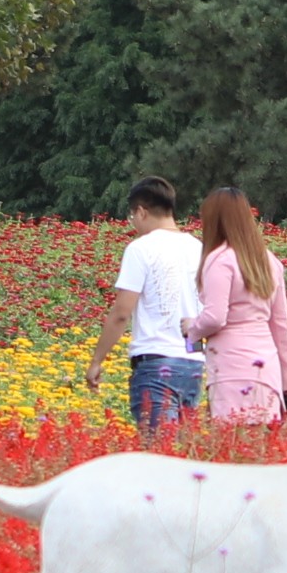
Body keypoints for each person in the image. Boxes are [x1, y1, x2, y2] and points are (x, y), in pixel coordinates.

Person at [187, 186, 287, 428]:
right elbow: (280, 323)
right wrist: (286, 372)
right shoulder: (269, 261)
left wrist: (191, 330)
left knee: (232, 443)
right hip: (266, 366)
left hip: (231, 365)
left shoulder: (220, 260)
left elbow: (215, 317)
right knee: (261, 447)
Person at [101, 177, 204, 433]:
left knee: (158, 452)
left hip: (156, 363)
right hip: (192, 360)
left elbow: (121, 314)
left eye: (132, 217)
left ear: (141, 212)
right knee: (182, 454)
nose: (133, 224)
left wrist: (96, 361)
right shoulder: (198, 247)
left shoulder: (141, 249)